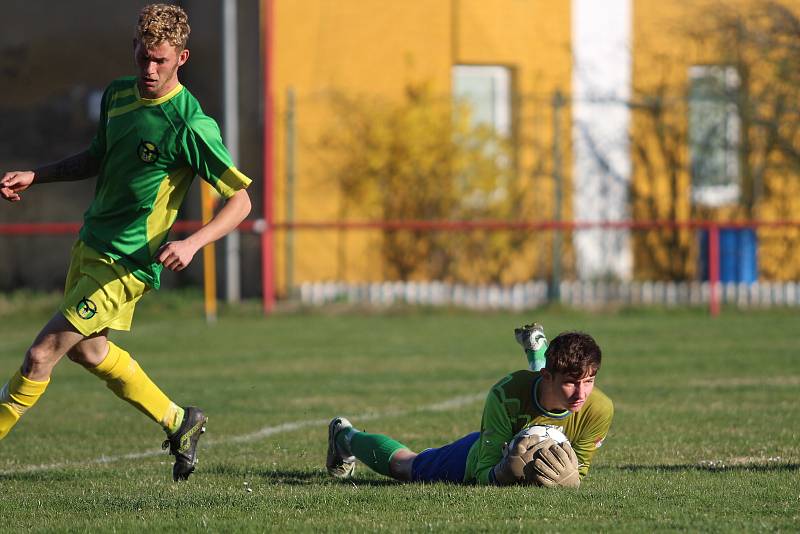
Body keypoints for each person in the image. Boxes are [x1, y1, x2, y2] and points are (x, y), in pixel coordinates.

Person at [0, 4, 252, 481]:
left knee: (42, 353)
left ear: (183, 58)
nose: (150, 70)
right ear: (134, 50)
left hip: (129, 262)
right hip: (91, 244)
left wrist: (195, 242)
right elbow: (95, 157)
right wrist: (38, 175)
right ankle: (180, 422)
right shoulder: (117, 95)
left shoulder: (190, 124)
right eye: (143, 58)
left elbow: (240, 201)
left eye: (160, 60)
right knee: (88, 351)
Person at [326, 323, 613, 487]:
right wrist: (504, 472)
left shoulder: (599, 409)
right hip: (482, 451)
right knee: (406, 467)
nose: (581, 394)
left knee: (556, 390)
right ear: (548, 376)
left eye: (589, 382)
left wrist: (567, 478)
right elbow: (483, 472)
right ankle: (345, 438)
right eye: (571, 383)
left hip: (535, 399)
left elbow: (581, 468)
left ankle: (539, 353)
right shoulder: (506, 395)